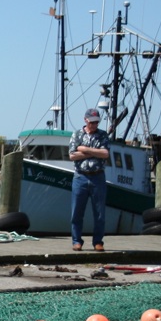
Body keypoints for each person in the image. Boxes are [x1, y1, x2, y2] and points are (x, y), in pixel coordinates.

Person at [69, 108, 110, 252]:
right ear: (85, 120)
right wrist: (93, 152)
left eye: (96, 122)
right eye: (92, 122)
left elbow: (105, 153)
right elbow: (72, 155)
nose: (94, 125)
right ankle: (76, 241)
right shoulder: (77, 134)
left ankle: (98, 241)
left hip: (98, 176)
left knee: (99, 212)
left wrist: (85, 149)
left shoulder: (103, 135)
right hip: (80, 176)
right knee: (77, 211)